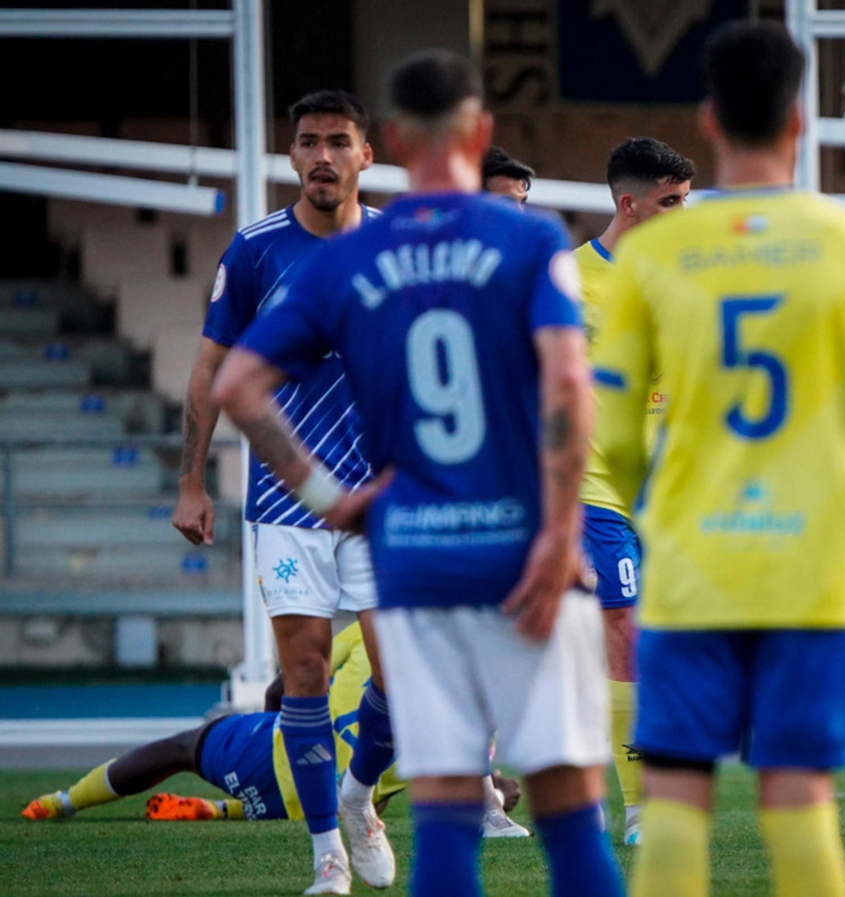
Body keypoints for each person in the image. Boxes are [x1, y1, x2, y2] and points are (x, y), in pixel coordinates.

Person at [214, 49, 620, 897]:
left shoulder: (345, 261)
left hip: (417, 559)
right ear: (481, 132)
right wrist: (556, 530)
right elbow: (568, 387)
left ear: (389, 139)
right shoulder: (526, 236)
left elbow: (238, 386)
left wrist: (335, 499)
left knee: (441, 818)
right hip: (520, 553)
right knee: (571, 817)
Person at [590, 21, 845, 897]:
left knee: (677, 806)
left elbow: (611, 435)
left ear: (710, 119)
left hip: (690, 566)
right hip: (806, 569)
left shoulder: (654, 253)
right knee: (797, 803)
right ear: (800, 118)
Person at [168, 88, 396, 894]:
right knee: (302, 673)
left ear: (367, 154)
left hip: (382, 502)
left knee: (401, 677)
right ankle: (326, 854)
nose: (323, 155)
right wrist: (191, 479)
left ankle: (359, 792)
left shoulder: (399, 249)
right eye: (308, 142)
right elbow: (208, 372)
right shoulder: (258, 249)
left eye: (339, 140)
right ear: (291, 156)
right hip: (287, 503)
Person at [20, 624, 527, 838]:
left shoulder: (369, 634)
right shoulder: (464, 721)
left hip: (266, 752)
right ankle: (221, 810)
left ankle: (64, 801)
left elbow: (287, 684)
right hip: (307, 808)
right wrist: (499, 795)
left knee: (183, 747)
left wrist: (272, 721)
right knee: (369, 790)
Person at [571, 136, 694, 844]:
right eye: (671, 203)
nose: (684, 215)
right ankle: (640, 806)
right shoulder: (568, 277)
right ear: (629, 203)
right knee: (625, 635)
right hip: (597, 489)